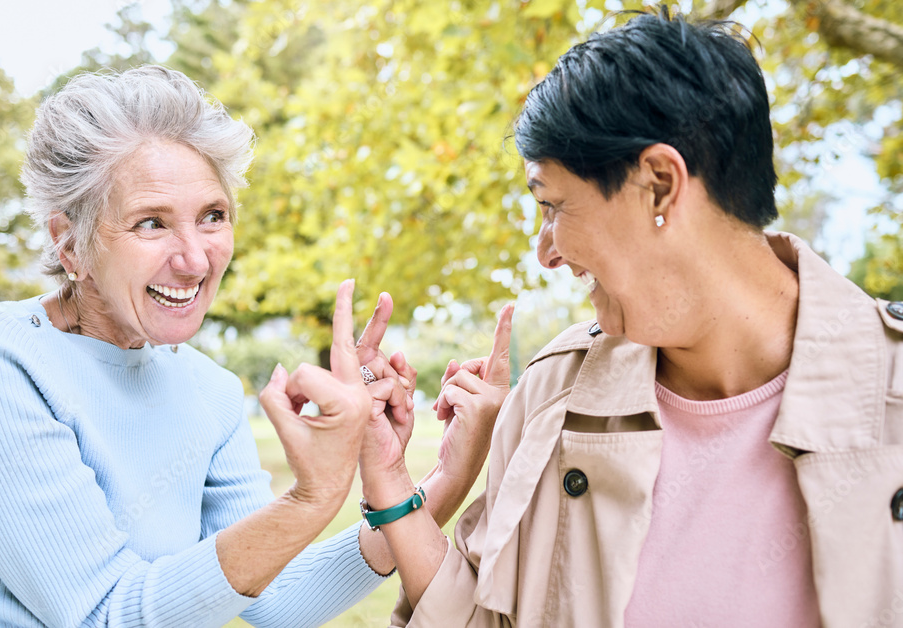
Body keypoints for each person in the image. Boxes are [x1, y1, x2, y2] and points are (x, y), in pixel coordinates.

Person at [356, 7, 903, 627]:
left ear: (661, 185)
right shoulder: (551, 393)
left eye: (553, 204)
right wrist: (395, 480)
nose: (547, 250)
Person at [0, 65, 476, 627]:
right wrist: (313, 496)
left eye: (212, 216)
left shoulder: (211, 390)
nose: (196, 259)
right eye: (151, 223)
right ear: (70, 244)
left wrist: (421, 480)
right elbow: (105, 615)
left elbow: (277, 600)